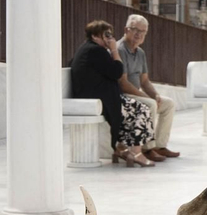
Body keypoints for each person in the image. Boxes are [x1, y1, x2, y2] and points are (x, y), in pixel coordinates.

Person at [67, 20, 154, 167]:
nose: (110, 38)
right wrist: (114, 50)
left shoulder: (88, 48)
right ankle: (136, 153)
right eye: (106, 35)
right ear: (95, 36)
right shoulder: (96, 51)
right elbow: (117, 72)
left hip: (93, 96)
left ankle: (122, 149)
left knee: (131, 109)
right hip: (97, 99)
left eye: (110, 35)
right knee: (142, 109)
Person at [118, 14, 179, 162]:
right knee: (149, 104)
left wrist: (155, 95)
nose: (139, 34)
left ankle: (160, 146)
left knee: (168, 104)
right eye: (135, 30)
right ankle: (147, 148)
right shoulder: (120, 50)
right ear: (126, 30)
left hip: (136, 95)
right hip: (123, 96)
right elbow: (123, 83)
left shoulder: (140, 52)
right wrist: (146, 97)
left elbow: (144, 81)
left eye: (143, 31)